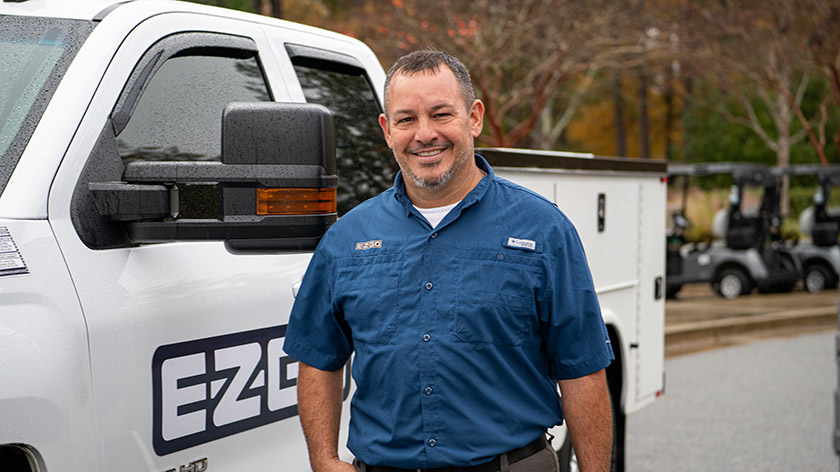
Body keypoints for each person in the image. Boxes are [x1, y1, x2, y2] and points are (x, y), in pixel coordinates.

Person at [283, 49, 614, 472]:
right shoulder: (347, 239)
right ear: (387, 130)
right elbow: (317, 357)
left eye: (441, 114)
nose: (424, 134)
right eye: (406, 120)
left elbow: (582, 366)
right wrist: (324, 460)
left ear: (474, 117)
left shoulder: (544, 230)